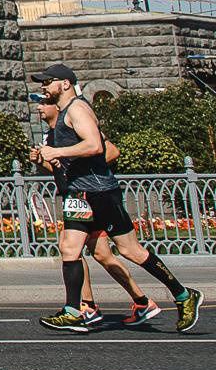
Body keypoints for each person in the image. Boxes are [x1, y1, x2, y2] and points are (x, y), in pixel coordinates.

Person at [30, 64, 199, 333]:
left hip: (100, 193)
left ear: (64, 84)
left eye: (47, 82)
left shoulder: (77, 109)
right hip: (78, 194)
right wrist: (47, 158)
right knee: (69, 249)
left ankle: (182, 294)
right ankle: (74, 311)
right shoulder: (64, 114)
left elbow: (96, 146)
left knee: (131, 251)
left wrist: (58, 152)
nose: (43, 88)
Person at [28, 92, 152, 328]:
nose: (39, 108)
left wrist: (83, 169)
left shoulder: (74, 125)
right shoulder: (51, 135)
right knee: (79, 250)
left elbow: (110, 151)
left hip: (92, 196)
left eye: (44, 103)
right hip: (73, 197)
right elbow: (60, 168)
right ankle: (99, 305)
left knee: (100, 252)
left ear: (58, 106)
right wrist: (41, 161)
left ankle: (122, 303)